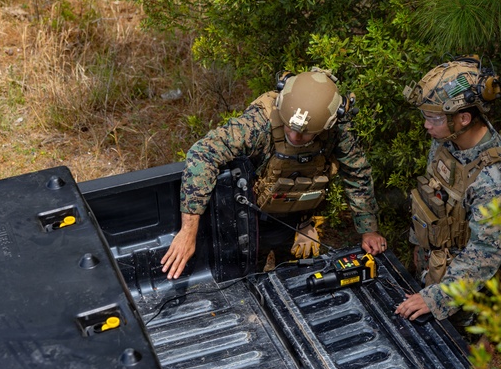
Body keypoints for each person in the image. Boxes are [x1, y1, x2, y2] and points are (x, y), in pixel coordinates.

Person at [161, 68, 388, 280]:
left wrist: (368, 230)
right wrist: (188, 231)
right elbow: (203, 154)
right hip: (250, 219)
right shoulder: (258, 124)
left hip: (296, 217)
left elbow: (356, 173)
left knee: (294, 277)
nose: (296, 138)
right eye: (290, 128)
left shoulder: (335, 129)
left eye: (306, 134)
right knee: (247, 278)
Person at [394, 56, 501, 322]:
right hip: (436, 270)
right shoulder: (447, 141)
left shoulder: (495, 178)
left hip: (470, 298)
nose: (426, 126)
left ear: (464, 118)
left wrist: (435, 298)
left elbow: (486, 252)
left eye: (433, 119)